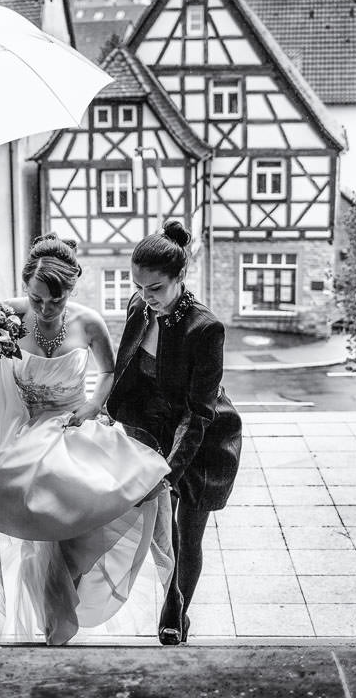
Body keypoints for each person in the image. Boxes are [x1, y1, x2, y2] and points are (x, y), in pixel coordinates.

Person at [0, 234, 172, 645]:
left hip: (76, 425)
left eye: (56, 301)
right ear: (25, 286)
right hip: (26, 431)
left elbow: (109, 372)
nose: (45, 309)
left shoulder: (89, 322)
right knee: (38, 519)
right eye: (37, 298)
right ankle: (53, 610)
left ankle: (70, 593)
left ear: (72, 290)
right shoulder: (3, 316)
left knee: (111, 501)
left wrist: (93, 406)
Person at [106, 220, 243, 646]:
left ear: (180, 276)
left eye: (156, 288)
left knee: (188, 532)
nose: (146, 296)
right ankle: (172, 601)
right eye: (139, 286)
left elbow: (199, 412)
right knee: (163, 532)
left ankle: (175, 613)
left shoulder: (206, 329)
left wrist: (169, 471)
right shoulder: (139, 306)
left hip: (203, 439)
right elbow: (128, 369)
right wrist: (114, 416)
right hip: (154, 428)